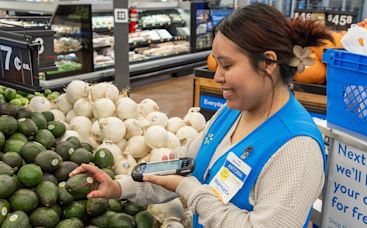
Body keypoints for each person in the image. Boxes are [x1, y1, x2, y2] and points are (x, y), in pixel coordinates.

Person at [70, 3, 333, 227]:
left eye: (227, 65)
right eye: (216, 64)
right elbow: (182, 169)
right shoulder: (230, 113)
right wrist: (120, 188)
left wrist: (193, 193)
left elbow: (188, 186)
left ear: (268, 62)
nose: (217, 77)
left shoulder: (298, 147)